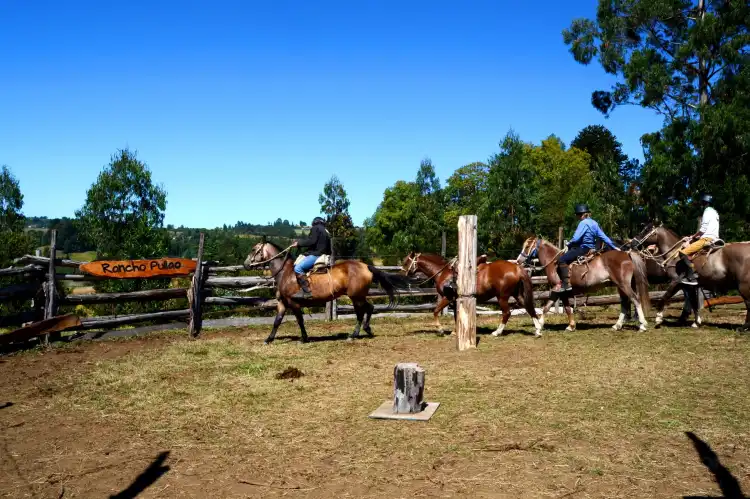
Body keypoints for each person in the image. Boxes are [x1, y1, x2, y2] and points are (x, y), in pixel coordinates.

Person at [554, 204, 620, 292]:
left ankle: (566, 284)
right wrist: (614, 247)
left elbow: (576, 238)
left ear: (580, 214)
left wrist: (568, 245)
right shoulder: (595, 223)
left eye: (577, 215)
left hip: (583, 249)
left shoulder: (583, 223)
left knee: (561, 260)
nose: (577, 217)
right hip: (592, 250)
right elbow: (604, 238)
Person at [678, 194, 718, 285]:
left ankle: (693, 275)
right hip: (715, 237)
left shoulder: (707, 212)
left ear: (704, 203)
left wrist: (692, 237)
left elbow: (703, 229)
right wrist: (697, 236)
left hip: (707, 238)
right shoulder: (715, 213)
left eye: (702, 203)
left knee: (682, 252)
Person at [290, 216, 332, 299]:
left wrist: (298, 243)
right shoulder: (326, 231)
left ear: (314, 223)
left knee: (298, 268)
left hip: (316, 255)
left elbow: (311, 241)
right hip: (324, 255)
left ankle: (306, 291)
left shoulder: (315, 228)